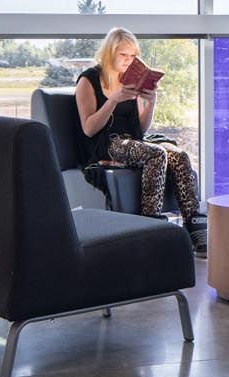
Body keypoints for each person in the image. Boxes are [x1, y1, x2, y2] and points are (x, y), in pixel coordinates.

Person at [75, 27, 207, 257]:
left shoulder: (131, 80)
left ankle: (194, 224)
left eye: (133, 55)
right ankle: (150, 222)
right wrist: (113, 100)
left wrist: (152, 100)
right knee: (156, 154)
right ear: (109, 54)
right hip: (108, 143)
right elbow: (89, 128)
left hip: (134, 142)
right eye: (123, 55)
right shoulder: (89, 80)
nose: (129, 60)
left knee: (179, 156)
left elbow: (142, 129)